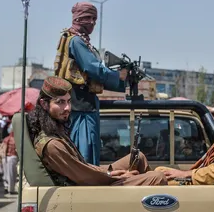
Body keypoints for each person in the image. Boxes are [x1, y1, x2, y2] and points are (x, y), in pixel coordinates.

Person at [27, 76, 167, 186]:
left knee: (139, 157)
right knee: (157, 177)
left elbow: (83, 167)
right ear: (44, 104)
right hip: (88, 190)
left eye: (69, 101)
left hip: (92, 180)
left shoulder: (56, 131)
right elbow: (84, 177)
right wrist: (114, 176)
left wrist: (109, 172)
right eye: (60, 102)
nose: (67, 108)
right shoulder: (52, 145)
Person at [53, 1, 128, 166]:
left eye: (94, 18)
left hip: (83, 105)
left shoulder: (77, 40)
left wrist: (120, 83)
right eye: (88, 18)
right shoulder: (76, 41)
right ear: (78, 18)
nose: (92, 22)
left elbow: (92, 74)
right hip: (82, 108)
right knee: (85, 154)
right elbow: (92, 68)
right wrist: (118, 77)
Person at [0, 129, 18, 194]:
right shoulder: (15, 140)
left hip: (4, 158)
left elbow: (2, 148)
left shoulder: (6, 139)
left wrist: (1, 157)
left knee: (6, 173)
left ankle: (6, 187)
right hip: (12, 157)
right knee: (12, 174)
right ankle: (11, 190)